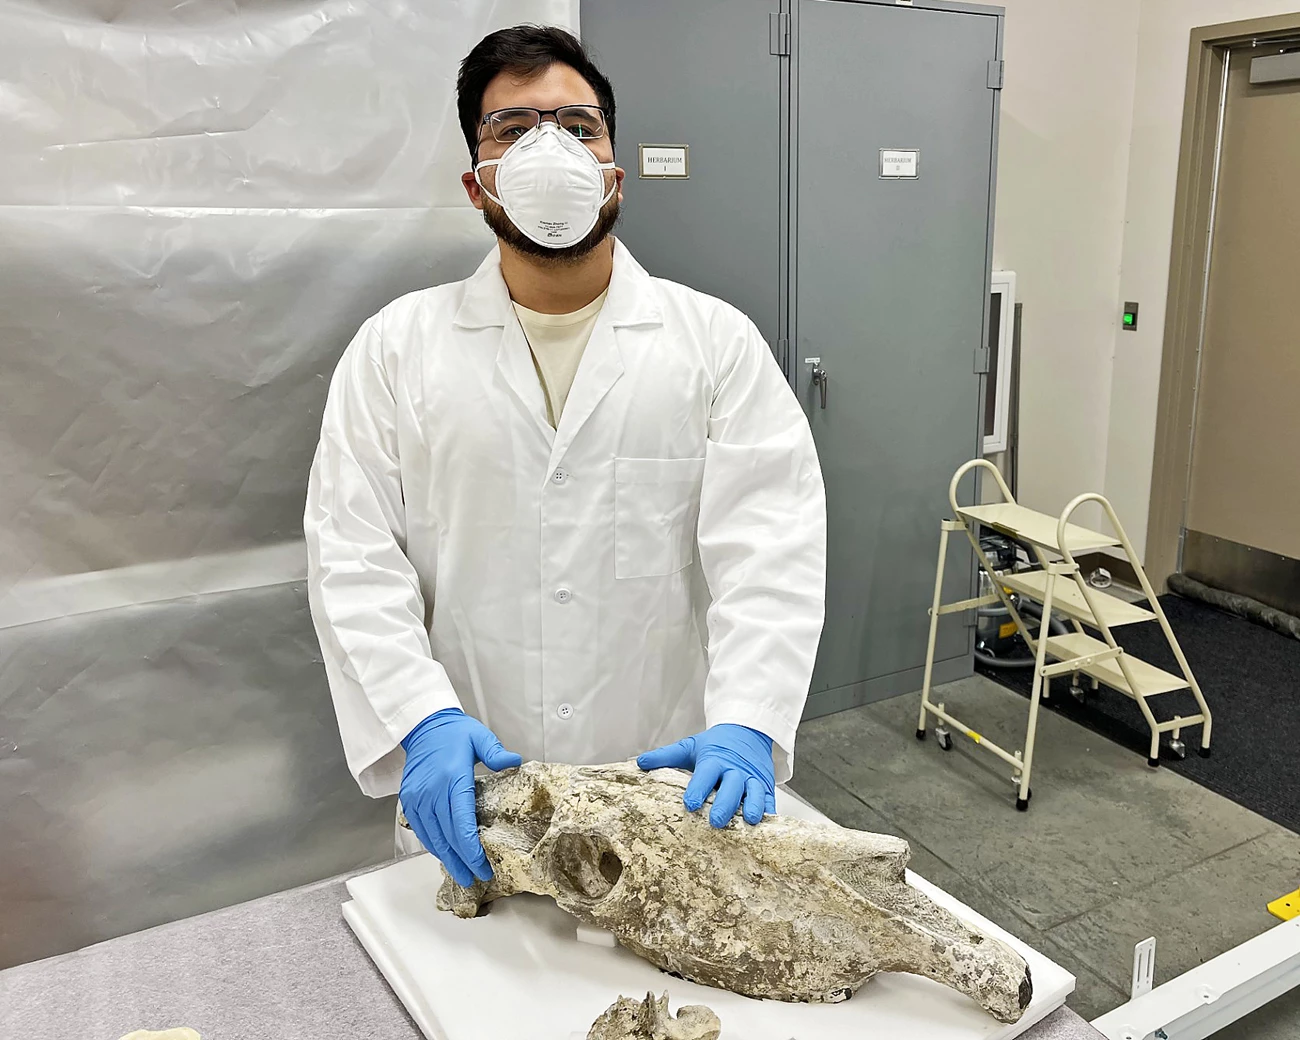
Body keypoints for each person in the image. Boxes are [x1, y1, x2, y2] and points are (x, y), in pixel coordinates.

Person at [304, 25, 826, 889]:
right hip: (479, 800)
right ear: (477, 183)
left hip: (664, 791)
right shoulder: (396, 349)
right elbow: (353, 559)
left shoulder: (715, 344)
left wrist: (747, 720)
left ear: (613, 169)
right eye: (513, 128)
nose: (552, 149)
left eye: (577, 126)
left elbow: (772, 551)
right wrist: (421, 718)